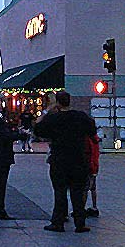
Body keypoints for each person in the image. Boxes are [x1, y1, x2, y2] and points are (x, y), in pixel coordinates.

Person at [34, 91, 96, 233]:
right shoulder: (80, 117)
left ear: (57, 102)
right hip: (79, 160)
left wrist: (47, 112)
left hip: (59, 160)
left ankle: (58, 222)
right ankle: (80, 223)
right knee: (78, 192)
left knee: (60, 192)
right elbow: (92, 130)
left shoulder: (54, 119)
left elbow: (38, 129)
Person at [84, 130, 100, 218]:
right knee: (93, 187)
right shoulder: (96, 139)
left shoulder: (87, 139)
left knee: (85, 188)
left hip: (88, 165)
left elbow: (87, 152)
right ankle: (94, 207)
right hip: (95, 165)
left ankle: (81, 208)